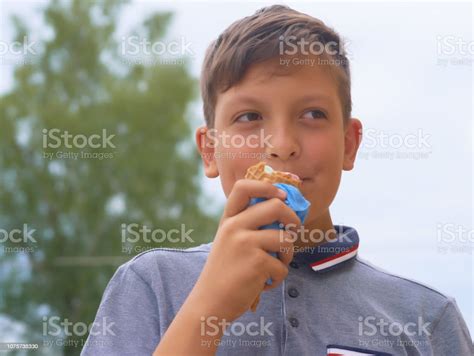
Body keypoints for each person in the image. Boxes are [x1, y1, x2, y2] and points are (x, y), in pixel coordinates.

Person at [82, 5, 473, 355]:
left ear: (349, 144)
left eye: (313, 115)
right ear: (210, 150)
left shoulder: (426, 318)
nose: (282, 146)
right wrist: (209, 306)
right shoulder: (151, 286)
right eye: (250, 117)